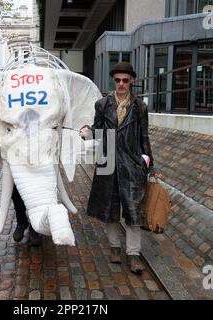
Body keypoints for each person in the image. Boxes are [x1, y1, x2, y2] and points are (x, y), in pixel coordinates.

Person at [79, 62, 155, 275]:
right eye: (118, 80)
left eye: (125, 80)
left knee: (133, 211)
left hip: (132, 163)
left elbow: (145, 137)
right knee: (110, 209)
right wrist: (88, 133)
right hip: (108, 161)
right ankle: (114, 248)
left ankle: (133, 254)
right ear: (114, 80)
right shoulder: (102, 105)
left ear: (131, 81)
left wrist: (148, 163)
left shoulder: (140, 107)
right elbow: (99, 131)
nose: (121, 84)